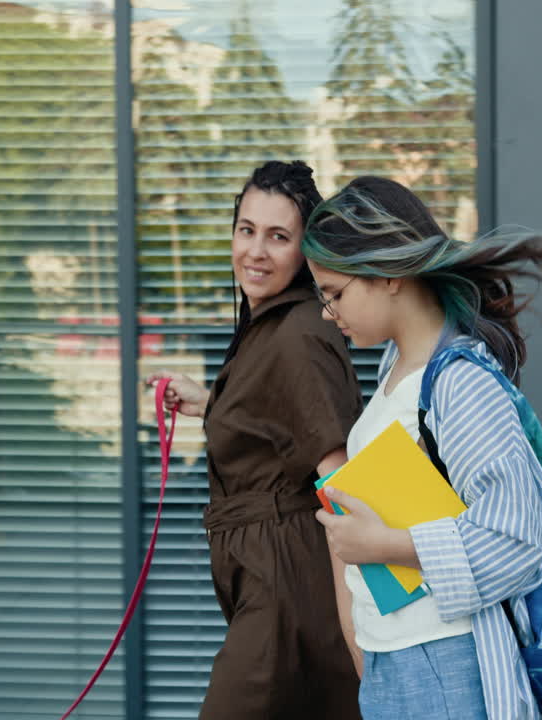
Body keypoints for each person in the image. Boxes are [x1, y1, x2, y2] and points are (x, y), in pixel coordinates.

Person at [301, 176, 542, 720]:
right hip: (399, 659)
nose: (326, 311)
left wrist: (384, 543)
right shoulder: (396, 368)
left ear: (387, 275)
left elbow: (521, 538)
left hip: (441, 663)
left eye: (334, 293)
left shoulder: (459, 382)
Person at [146, 160, 364, 720]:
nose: (256, 252)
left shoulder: (299, 334)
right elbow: (280, 424)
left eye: (278, 236)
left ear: (306, 251)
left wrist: (358, 623)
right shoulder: (271, 321)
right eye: (247, 230)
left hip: (287, 585)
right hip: (265, 574)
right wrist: (211, 406)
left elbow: (339, 476)